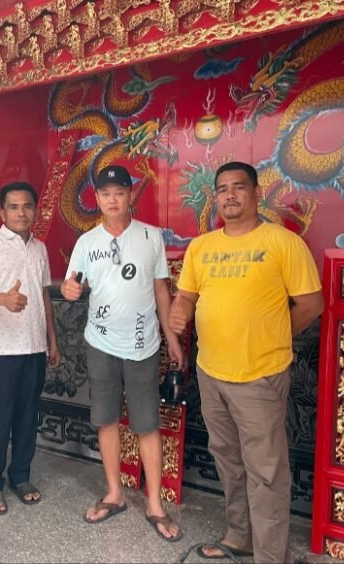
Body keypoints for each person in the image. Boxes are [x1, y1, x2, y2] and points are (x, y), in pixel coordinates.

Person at [168, 161, 324, 562]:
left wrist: (273, 336)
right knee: (228, 461)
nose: (230, 195)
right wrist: (179, 310)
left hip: (260, 376)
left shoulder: (282, 242)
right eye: (222, 189)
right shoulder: (202, 247)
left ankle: (271, 556)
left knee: (266, 471)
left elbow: (311, 304)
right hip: (211, 373)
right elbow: (186, 295)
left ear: (256, 193)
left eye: (239, 187)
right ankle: (240, 536)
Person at [61, 165, 185, 541]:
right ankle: (114, 493)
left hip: (142, 345)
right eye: (105, 194)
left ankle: (155, 504)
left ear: (131, 195)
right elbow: (71, 283)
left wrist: (171, 337)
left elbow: (161, 290)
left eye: (119, 192)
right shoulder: (87, 242)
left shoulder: (150, 236)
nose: (112, 200)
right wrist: (69, 290)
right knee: (106, 420)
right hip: (100, 344)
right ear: (97, 199)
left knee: (147, 424)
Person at [0, 182, 60, 515]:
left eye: (27, 206)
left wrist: (52, 340)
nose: (21, 213)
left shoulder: (40, 248)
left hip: (34, 347)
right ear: (2, 212)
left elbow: (44, 295)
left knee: (26, 416)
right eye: (14, 207)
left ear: (35, 210)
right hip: (1, 350)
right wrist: (2, 299)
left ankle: (20, 476)